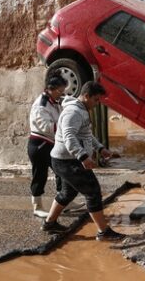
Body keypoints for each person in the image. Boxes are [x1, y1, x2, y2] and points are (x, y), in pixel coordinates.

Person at [42, 81, 126, 241]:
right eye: (96, 100)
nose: (97, 103)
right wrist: (83, 157)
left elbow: (86, 134)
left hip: (66, 160)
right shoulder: (73, 112)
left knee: (68, 192)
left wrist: (101, 149)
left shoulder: (82, 110)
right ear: (86, 96)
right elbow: (69, 137)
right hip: (68, 161)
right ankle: (104, 232)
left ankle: (49, 223)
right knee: (93, 191)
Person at [27, 73, 67, 218]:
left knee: (61, 171)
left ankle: (63, 200)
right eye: (60, 91)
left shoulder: (54, 102)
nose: (61, 94)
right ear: (51, 89)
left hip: (50, 143)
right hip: (39, 144)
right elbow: (45, 126)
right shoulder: (41, 104)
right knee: (40, 175)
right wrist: (64, 127)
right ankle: (37, 206)